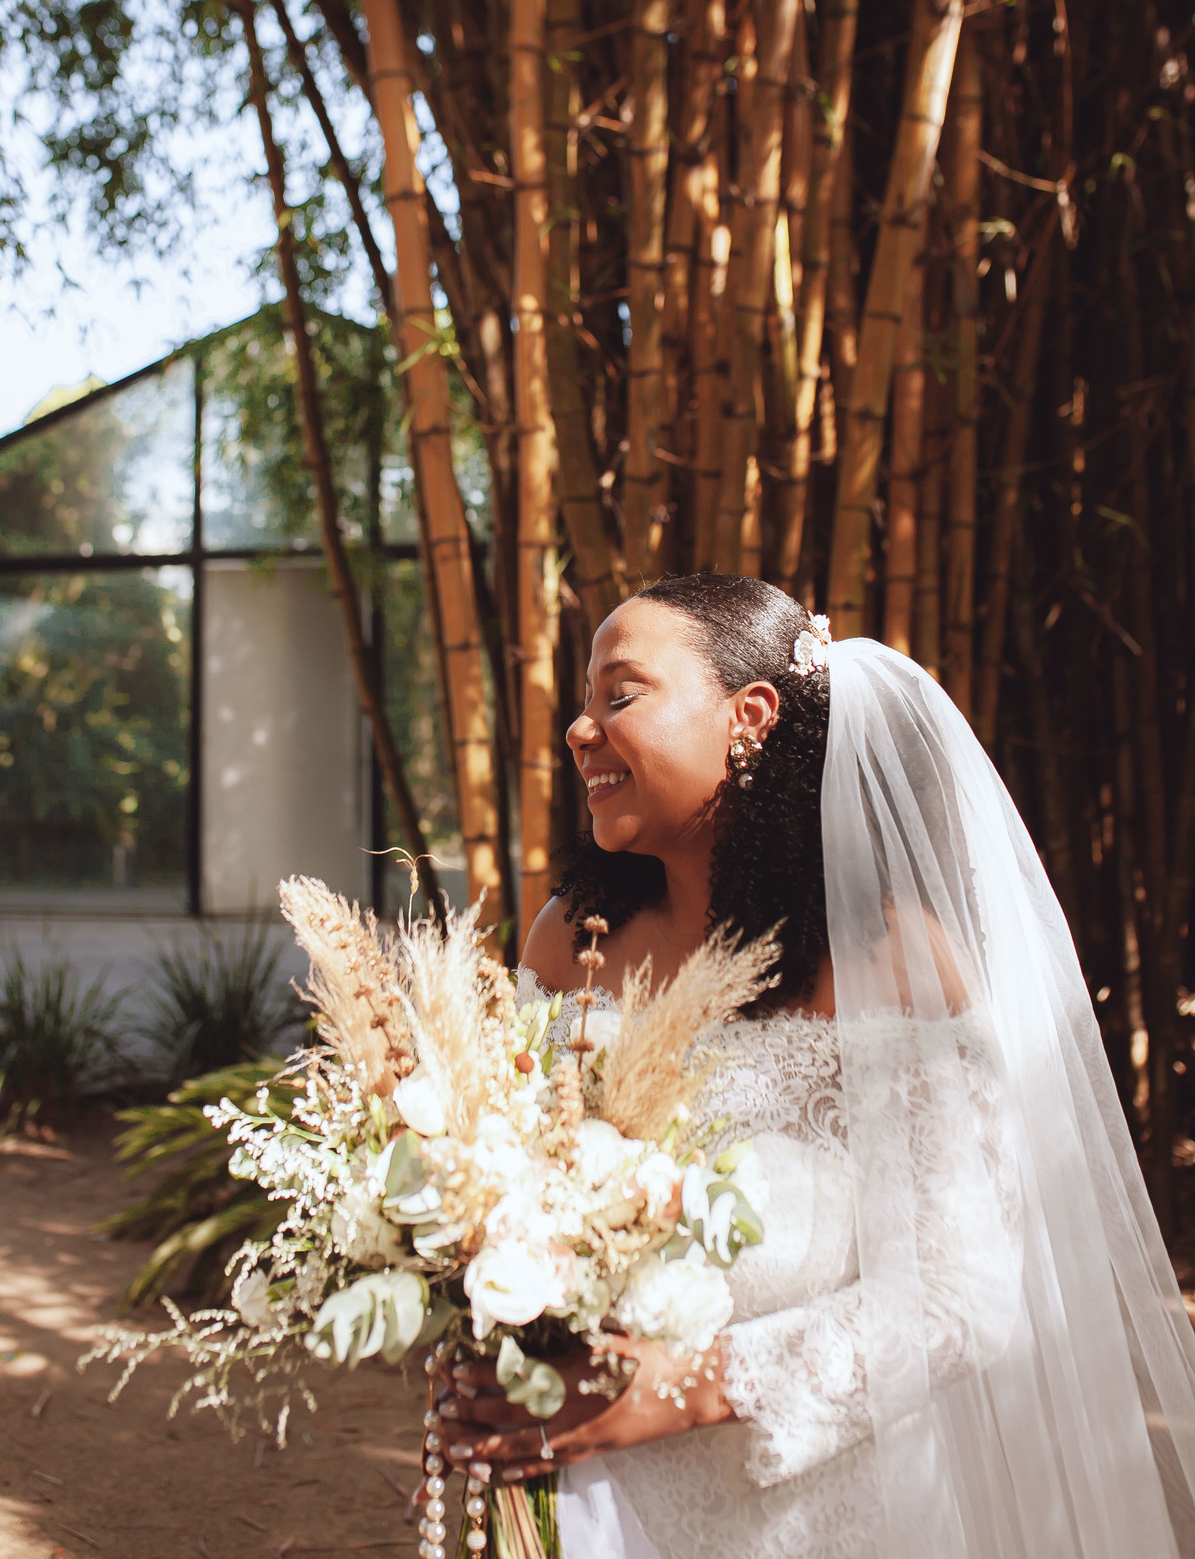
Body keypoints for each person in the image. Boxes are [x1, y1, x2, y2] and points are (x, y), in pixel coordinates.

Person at [438, 573, 1195, 1558]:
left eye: (620, 695)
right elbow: (501, 1185)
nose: (582, 730)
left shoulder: (890, 963)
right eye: (584, 703)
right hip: (585, 1506)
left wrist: (676, 1391)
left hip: (822, 1520)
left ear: (750, 717)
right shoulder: (568, 940)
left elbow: (959, 1292)